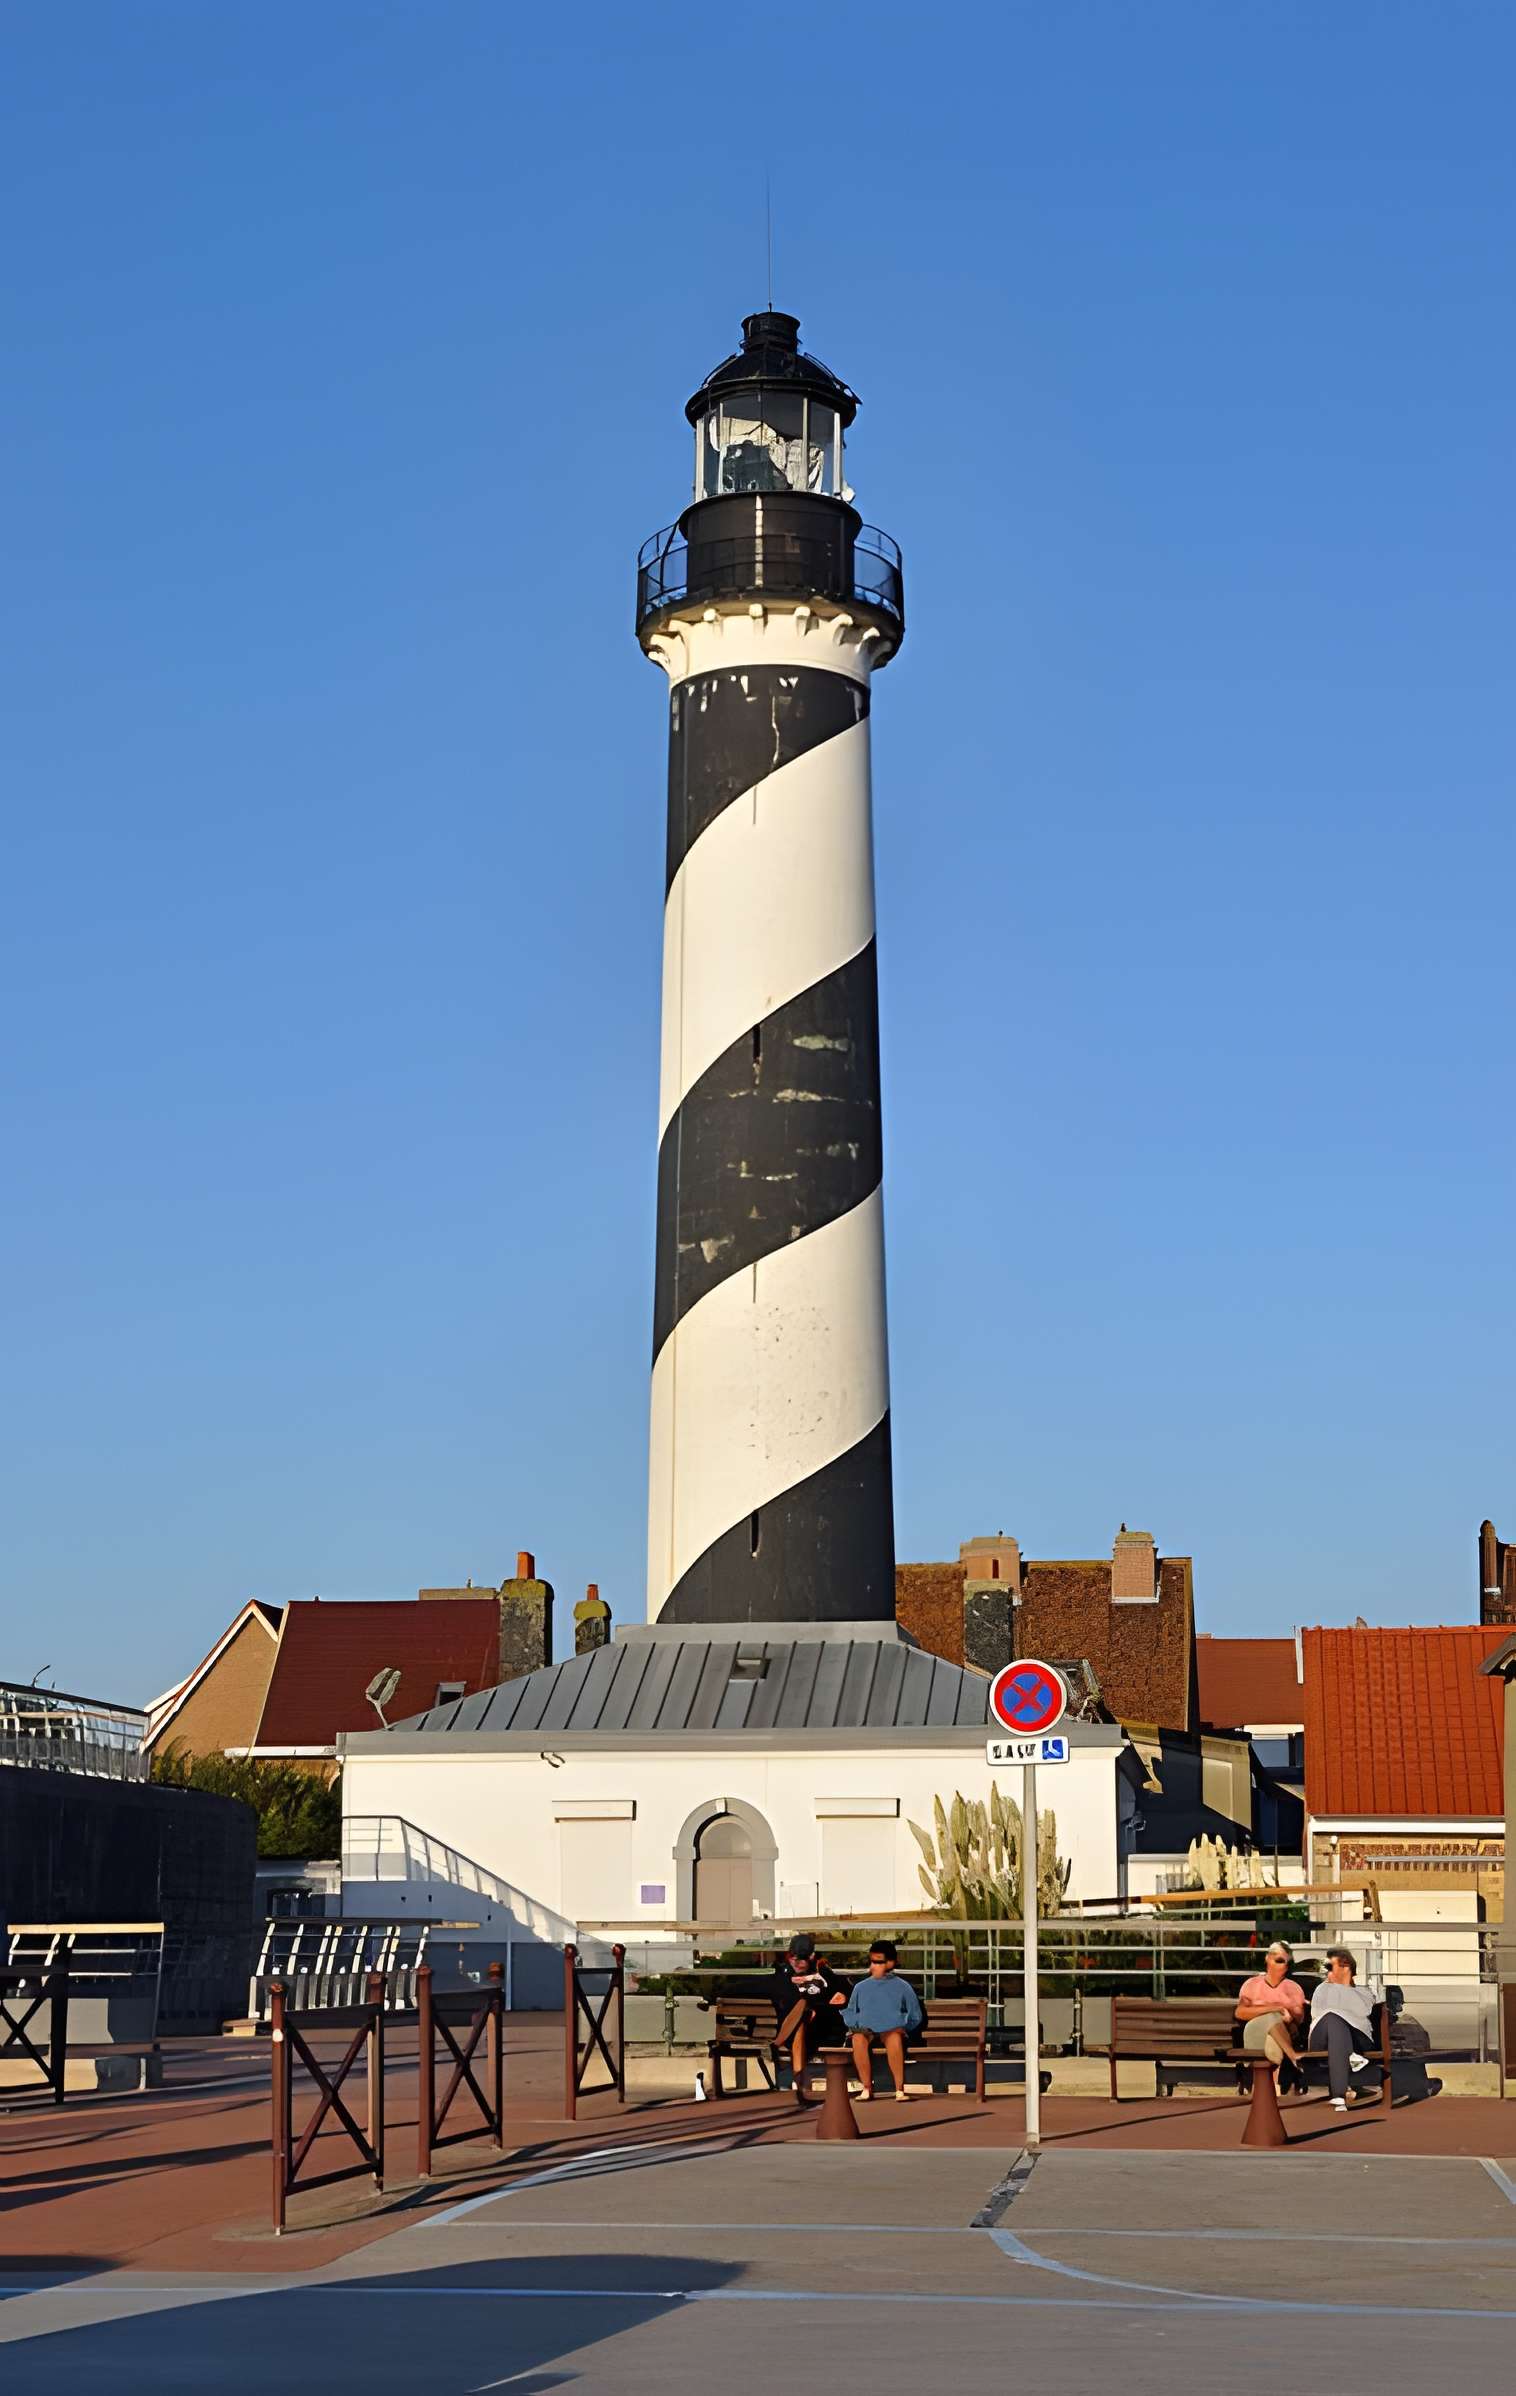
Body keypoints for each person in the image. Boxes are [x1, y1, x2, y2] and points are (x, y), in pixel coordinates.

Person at [768, 1934, 849, 2107]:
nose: (796, 1962)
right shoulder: (781, 1976)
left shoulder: (826, 1974)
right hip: (795, 2035)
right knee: (800, 2020)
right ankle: (801, 2087)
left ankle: (777, 2045)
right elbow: (766, 1993)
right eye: (792, 1958)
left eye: (801, 1958)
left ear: (811, 1956)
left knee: (804, 2009)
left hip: (821, 2032)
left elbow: (846, 1992)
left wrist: (840, 1997)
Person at [843, 1940, 925, 2103]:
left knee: (894, 2038)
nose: (874, 1966)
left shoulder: (903, 1987)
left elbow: (916, 2014)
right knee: (858, 2039)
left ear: (890, 1963)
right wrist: (856, 2025)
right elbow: (851, 2011)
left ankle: (899, 2089)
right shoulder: (860, 1987)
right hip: (866, 2031)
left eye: (879, 1962)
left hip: (892, 2030)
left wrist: (905, 2027)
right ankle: (866, 2087)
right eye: (872, 1961)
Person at [1309, 1946, 1379, 2110]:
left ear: (1346, 1966)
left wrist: (1341, 2004)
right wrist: (1343, 2014)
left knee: (1336, 2022)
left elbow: (1363, 2011)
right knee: (1333, 2019)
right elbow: (1319, 2013)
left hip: (1356, 2039)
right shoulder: (1322, 1989)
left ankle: (1339, 2095)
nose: (1326, 1972)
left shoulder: (1364, 1992)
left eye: (1329, 1967)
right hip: (1322, 2037)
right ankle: (1351, 2058)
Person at [1234, 1940, 1308, 2091]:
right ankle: (1293, 2056)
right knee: (1272, 2016)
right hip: (1254, 2032)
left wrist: (1284, 2016)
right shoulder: (1252, 1984)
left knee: (1273, 2029)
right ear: (1267, 1958)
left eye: (1287, 1963)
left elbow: (1296, 2024)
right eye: (1279, 1960)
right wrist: (1275, 2008)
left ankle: (1270, 2087)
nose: (1283, 1966)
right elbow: (1240, 2013)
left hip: (1282, 2035)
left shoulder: (1293, 1988)